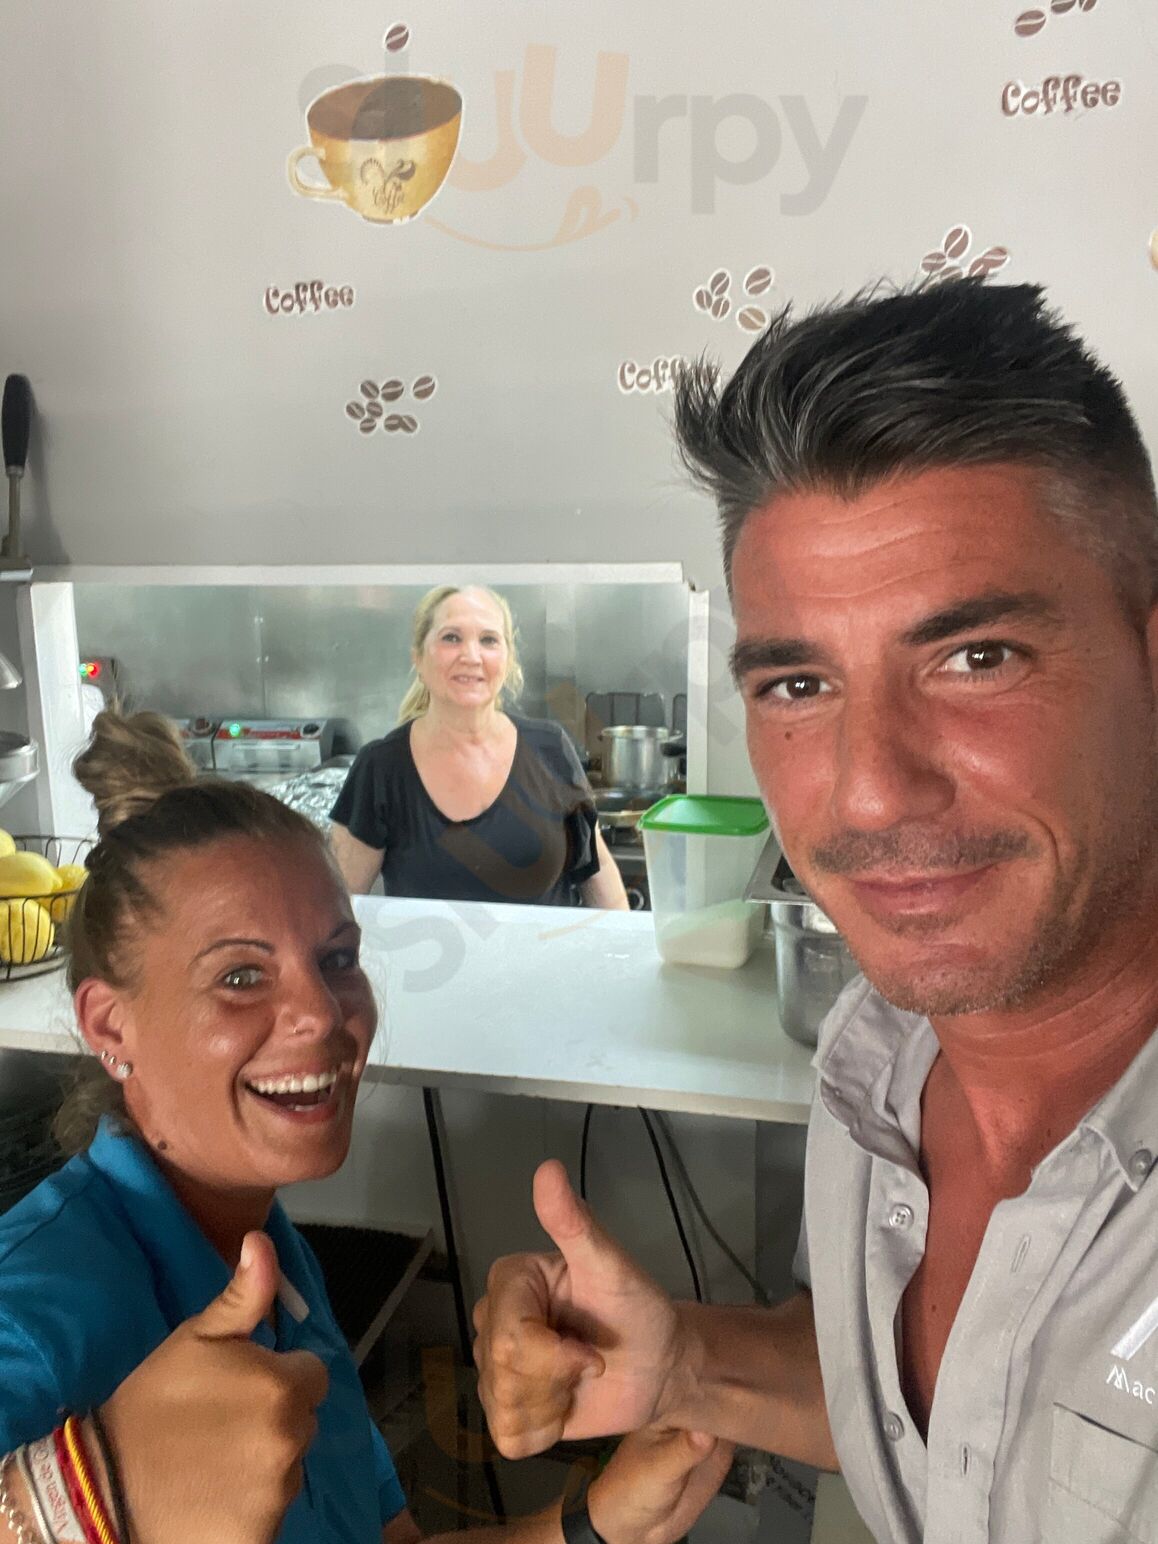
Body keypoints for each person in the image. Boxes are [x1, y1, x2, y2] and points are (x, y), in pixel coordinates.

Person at [471, 281, 1158, 1544]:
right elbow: (964, 1420)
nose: (872, 788)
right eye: (798, 683)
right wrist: (684, 1364)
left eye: (976, 658)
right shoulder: (873, 1057)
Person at [0, 710, 729, 1543]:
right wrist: (79, 1496)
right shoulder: (33, 1311)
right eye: (240, 976)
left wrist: (597, 1525)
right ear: (110, 1026)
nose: (321, 1011)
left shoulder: (270, 1257)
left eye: (338, 959)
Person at [330, 586, 629, 908]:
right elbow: (338, 906)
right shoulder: (382, 767)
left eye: (488, 640)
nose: (471, 656)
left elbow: (597, 873)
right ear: (418, 657)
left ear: (507, 659)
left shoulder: (551, 749)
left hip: (549, 944)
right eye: (451, 638)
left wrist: (622, 939)